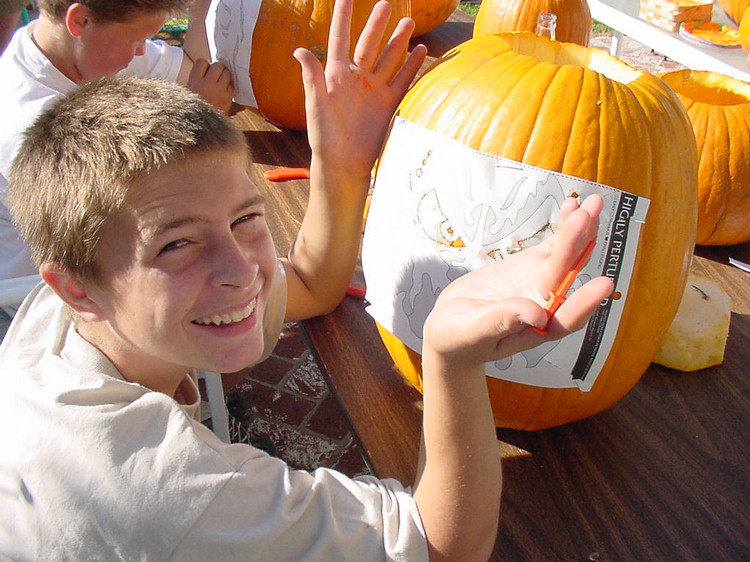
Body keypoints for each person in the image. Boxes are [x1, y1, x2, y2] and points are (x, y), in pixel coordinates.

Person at [0, 1, 614, 560]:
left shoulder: (61, 319)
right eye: (178, 244)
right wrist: (452, 362)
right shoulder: (179, 493)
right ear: (76, 286)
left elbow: (314, 286)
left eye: (245, 219)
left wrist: (340, 165)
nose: (243, 272)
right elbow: (442, 548)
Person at [0, 0, 234, 281]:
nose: (141, 51)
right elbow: (132, 212)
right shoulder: (33, 122)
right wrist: (201, 117)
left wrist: (203, 6)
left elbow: (196, 70)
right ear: (80, 21)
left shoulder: (77, 52)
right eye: (136, 39)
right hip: (60, 289)